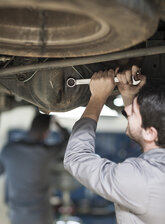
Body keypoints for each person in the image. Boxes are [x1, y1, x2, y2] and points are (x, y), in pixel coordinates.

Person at [64, 65, 165, 224]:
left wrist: (97, 98)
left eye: (132, 112)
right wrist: (128, 96)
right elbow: (146, 142)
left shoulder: (141, 180)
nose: (126, 111)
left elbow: (76, 158)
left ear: (151, 132)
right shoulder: (156, 170)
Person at [0, 113, 69, 224]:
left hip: (17, 217)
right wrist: (59, 126)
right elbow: (68, 143)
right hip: (41, 217)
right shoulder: (46, 152)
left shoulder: (8, 150)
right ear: (46, 134)